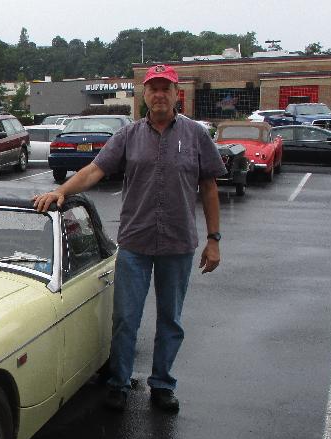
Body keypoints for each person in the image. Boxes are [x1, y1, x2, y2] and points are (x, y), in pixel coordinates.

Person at [32, 64, 225, 413]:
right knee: (125, 319)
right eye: (153, 89)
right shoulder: (128, 135)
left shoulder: (196, 135)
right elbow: (94, 170)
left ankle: (162, 384)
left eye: (166, 88)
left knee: (171, 320)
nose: (159, 95)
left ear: (176, 94)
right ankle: (118, 383)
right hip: (135, 243)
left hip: (178, 244)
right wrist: (61, 191)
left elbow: (209, 187)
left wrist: (214, 239)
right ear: (144, 95)